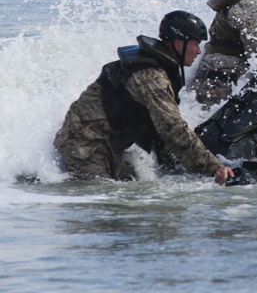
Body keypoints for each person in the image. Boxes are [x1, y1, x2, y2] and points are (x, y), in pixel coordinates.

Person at [53, 11, 236, 184]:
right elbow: (172, 128)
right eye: (196, 44)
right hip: (84, 145)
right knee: (104, 200)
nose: (199, 51)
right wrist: (214, 168)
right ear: (179, 44)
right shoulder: (152, 77)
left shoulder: (159, 68)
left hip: (104, 144)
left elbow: (159, 132)